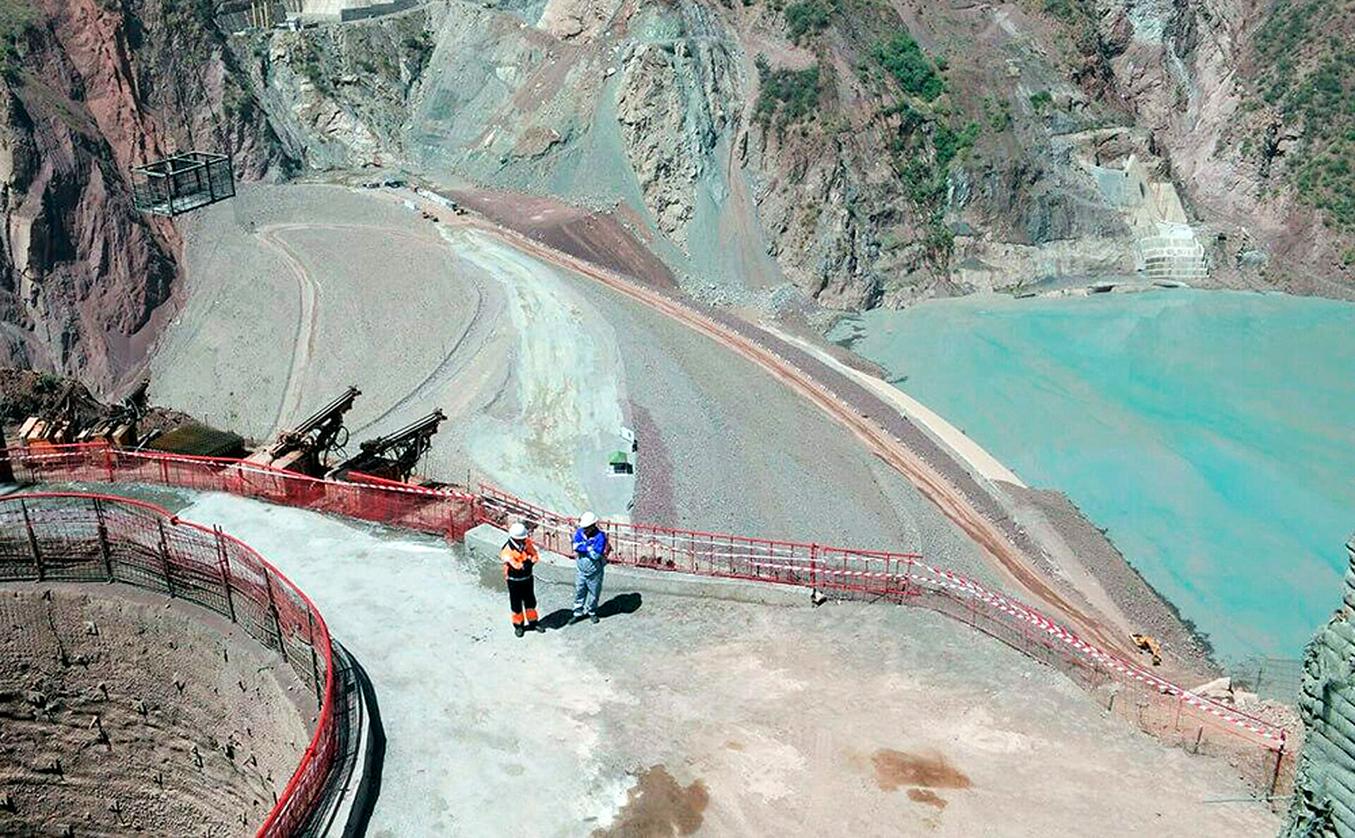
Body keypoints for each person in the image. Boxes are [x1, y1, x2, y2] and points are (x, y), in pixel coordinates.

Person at [501, 521, 545, 637]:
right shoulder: (507, 550)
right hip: (514, 581)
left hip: (527, 579)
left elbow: (534, 555)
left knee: (530, 601)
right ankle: (518, 625)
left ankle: (533, 622)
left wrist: (530, 561)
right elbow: (516, 566)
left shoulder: (526, 542)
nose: (523, 540)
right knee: (516, 605)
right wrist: (527, 561)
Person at [571, 511, 611, 624]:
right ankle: (577, 612)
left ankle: (592, 611)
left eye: (587, 528)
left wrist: (583, 547)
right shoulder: (580, 532)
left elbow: (596, 555)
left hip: (595, 572)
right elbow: (575, 546)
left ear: (593, 526)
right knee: (579, 591)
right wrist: (588, 548)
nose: (584, 530)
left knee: (594, 593)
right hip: (581, 570)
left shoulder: (600, 536)